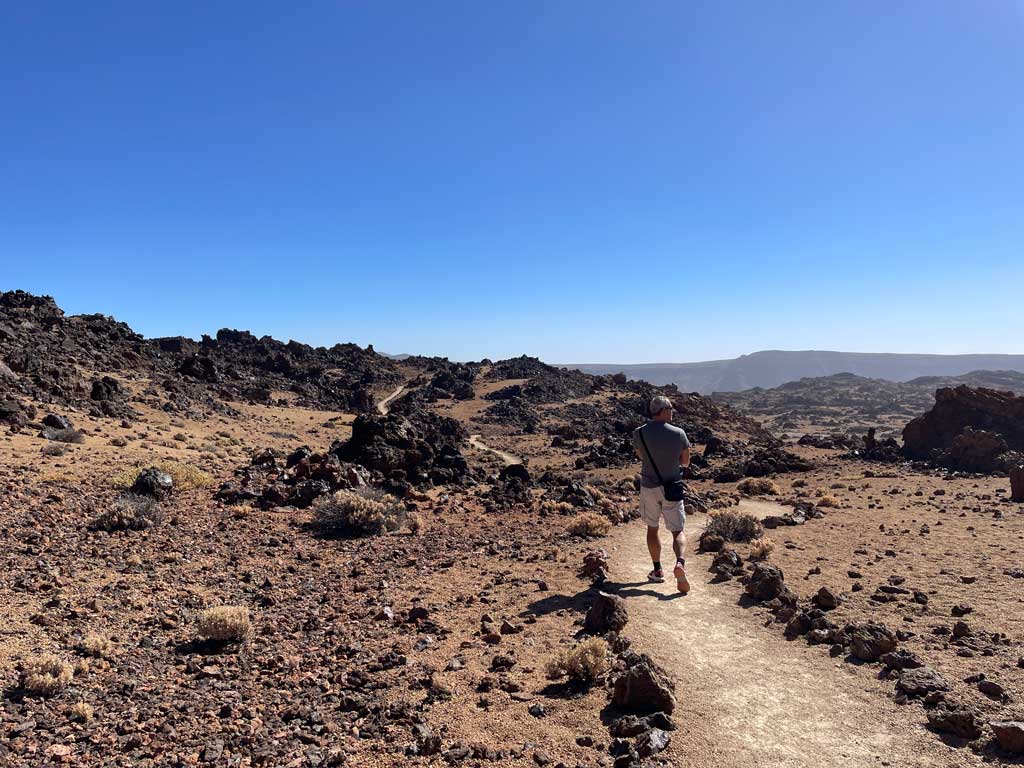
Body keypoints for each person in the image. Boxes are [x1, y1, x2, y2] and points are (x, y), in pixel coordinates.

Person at [632, 395, 691, 593]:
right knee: (677, 530)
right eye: (671, 408)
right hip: (672, 486)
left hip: (649, 487)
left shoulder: (639, 433)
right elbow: (685, 462)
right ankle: (680, 563)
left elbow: (640, 456)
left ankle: (657, 571)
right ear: (664, 410)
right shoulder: (679, 433)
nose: (673, 411)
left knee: (652, 528)